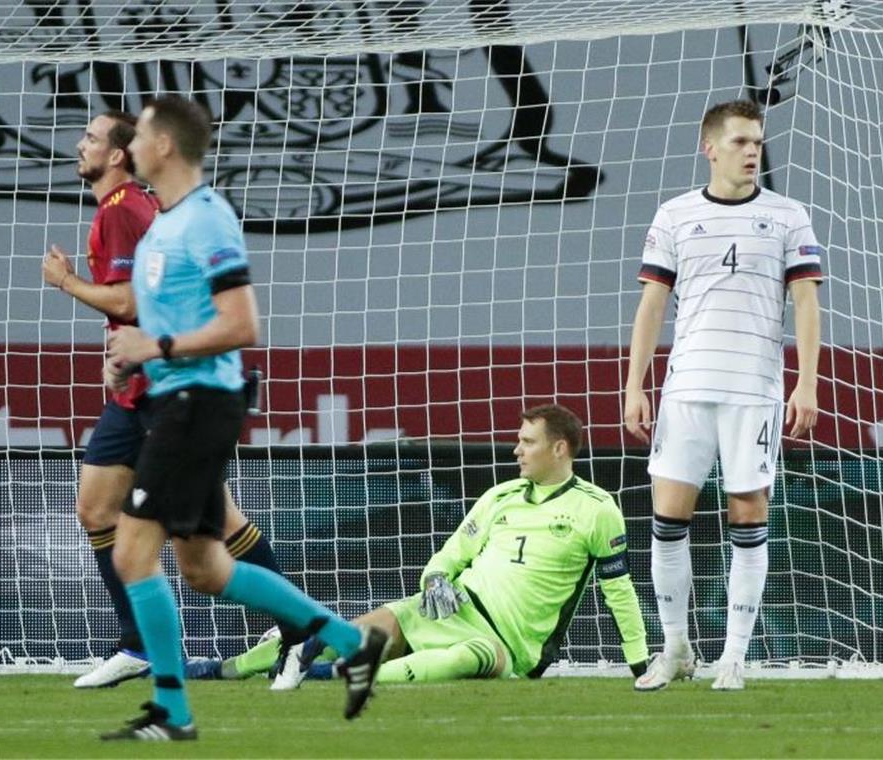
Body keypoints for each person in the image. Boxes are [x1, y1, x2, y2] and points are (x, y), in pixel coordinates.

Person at [98, 95, 388, 740]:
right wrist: (130, 359)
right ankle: (351, 641)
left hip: (198, 405)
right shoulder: (162, 224)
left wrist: (157, 348)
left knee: (132, 554)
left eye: (138, 133)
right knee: (205, 569)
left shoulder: (206, 220)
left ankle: (173, 712)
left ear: (164, 145)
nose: (129, 142)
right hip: (170, 399)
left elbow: (242, 324)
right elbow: (169, 319)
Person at [42, 111, 299, 689]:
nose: (78, 145)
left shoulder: (130, 211)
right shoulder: (125, 210)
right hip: (138, 389)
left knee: (208, 543)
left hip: (169, 391)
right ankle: (138, 644)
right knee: (95, 508)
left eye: (90, 137)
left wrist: (67, 285)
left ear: (117, 154)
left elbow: (132, 304)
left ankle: (302, 633)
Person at [196, 404, 650, 689]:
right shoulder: (501, 496)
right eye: (518, 440)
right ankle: (224, 669)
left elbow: (619, 590)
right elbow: (452, 553)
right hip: (451, 609)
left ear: (560, 449)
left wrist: (638, 662)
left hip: (505, 646)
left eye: (527, 442)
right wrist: (434, 577)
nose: (516, 450)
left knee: (456, 662)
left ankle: (320, 677)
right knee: (335, 635)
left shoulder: (598, 510)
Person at [622, 99, 823, 691]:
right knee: (666, 520)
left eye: (756, 141)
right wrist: (635, 385)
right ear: (709, 147)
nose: (752, 151)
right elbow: (651, 306)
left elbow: (807, 303)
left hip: (754, 392)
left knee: (748, 516)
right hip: (686, 389)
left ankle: (734, 656)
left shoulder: (789, 216)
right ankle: (676, 647)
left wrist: (806, 383)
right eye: (739, 141)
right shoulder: (676, 215)